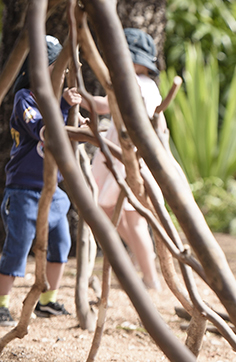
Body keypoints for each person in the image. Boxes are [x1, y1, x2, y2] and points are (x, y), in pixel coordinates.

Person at [0, 35, 81, 326]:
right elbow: (42, 129)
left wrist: (74, 110)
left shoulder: (61, 101)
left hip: (53, 190)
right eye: (52, 67)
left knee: (62, 242)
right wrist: (63, 122)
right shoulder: (26, 98)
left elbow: (72, 129)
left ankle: (48, 300)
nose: (58, 73)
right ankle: (2, 303)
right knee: (18, 245)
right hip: (22, 189)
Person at [90, 28, 164, 291]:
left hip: (129, 156)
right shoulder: (144, 84)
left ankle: (150, 276)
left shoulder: (134, 84)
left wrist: (84, 99)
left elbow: (104, 106)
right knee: (109, 209)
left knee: (131, 217)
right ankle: (141, 261)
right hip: (119, 153)